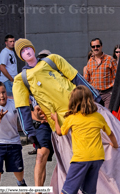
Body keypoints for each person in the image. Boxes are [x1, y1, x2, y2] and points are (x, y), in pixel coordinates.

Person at [13, 38, 120, 194]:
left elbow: (77, 78)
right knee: (74, 164)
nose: (27, 51)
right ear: (20, 56)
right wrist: (29, 132)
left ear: (33, 49)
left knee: (109, 151)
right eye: (22, 51)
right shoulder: (20, 80)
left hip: (86, 112)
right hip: (65, 125)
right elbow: (22, 108)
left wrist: (95, 97)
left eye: (28, 48)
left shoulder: (53, 60)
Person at [51, 85, 118, 194]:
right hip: (98, 158)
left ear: (72, 100)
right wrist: (114, 145)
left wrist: (55, 120)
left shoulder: (71, 118)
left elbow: (60, 132)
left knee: (68, 190)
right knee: (89, 190)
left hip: (81, 158)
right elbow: (111, 135)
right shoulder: (98, 116)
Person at [16, 46, 54, 194]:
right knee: (40, 156)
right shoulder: (28, 81)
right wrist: (36, 115)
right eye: (40, 58)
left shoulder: (59, 77)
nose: (42, 61)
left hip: (61, 123)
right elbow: (27, 110)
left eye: (46, 59)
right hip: (43, 125)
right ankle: (38, 191)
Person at [0, 81, 27, 194]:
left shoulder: (13, 103)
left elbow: (27, 113)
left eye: (3, 92)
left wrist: (38, 115)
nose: (1, 95)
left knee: (18, 170)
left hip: (14, 142)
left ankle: (21, 183)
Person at [84, 38, 118, 109]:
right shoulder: (90, 62)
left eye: (98, 46)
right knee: (97, 115)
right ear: (91, 48)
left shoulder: (110, 59)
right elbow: (87, 80)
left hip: (108, 93)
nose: (95, 48)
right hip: (95, 94)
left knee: (108, 115)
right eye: (93, 47)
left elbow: (117, 77)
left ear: (101, 46)